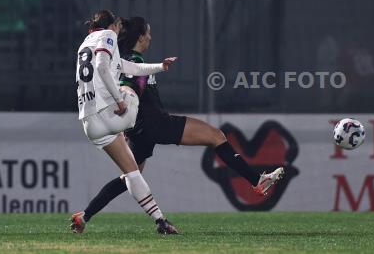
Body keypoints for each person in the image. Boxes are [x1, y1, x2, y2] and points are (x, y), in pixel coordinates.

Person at [70, 16, 285, 234]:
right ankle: (257, 181)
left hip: (137, 130)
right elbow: (129, 85)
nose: (150, 38)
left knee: (130, 176)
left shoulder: (122, 58)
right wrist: (125, 100)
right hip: (155, 123)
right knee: (216, 136)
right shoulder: (134, 59)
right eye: (149, 33)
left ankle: (85, 215)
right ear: (141, 37)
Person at [73, 10, 178, 235]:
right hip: (109, 115)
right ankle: (141, 126)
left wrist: (160, 66)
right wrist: (120, 100)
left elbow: (128, 67)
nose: (119, 30)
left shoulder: (85, 43)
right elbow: (102, 66)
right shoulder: (107, 36)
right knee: (128, 89)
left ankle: (161, 221)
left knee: (132, 172)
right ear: (112, 25)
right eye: (118, 26)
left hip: (89, 123)